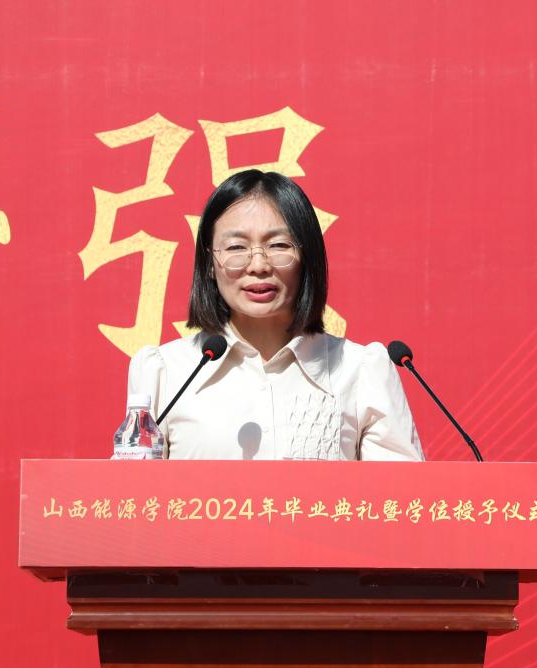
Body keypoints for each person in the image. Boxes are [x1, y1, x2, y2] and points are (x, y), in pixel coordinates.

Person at [127, 169, 423, 461]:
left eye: (278, 245)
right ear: (209, 264)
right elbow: (132, 488)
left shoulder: (359, 371)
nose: (258, 265)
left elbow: (398, 491)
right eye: (236, 247)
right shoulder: (165, 372)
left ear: (307, 257)